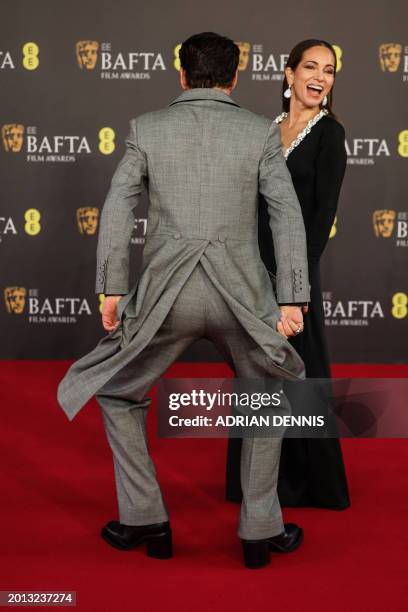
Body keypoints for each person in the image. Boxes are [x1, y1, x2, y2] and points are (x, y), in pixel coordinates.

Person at [57, 32, 311, 569]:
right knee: (264, 402)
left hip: (167, 296)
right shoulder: (257, 132)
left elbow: (118, 208)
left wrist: (112, 288)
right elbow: (287, 213)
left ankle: (147, 517)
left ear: (180, 75)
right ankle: (259, 531)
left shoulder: (146, 129)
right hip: (242, 297)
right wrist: (292, 298)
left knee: (118, 393)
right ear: (234, 78)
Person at [226, 39, 350, 510]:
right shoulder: (266, 130)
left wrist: (296, 291)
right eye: (311, 67)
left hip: (293, 279)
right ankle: (255, 483)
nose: (321, 77)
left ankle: (310, 485)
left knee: (301, 377)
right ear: (288, 73)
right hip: (252, 273)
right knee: (255, 374)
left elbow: (322, 219)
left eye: (330, 70)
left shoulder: (329, 135)